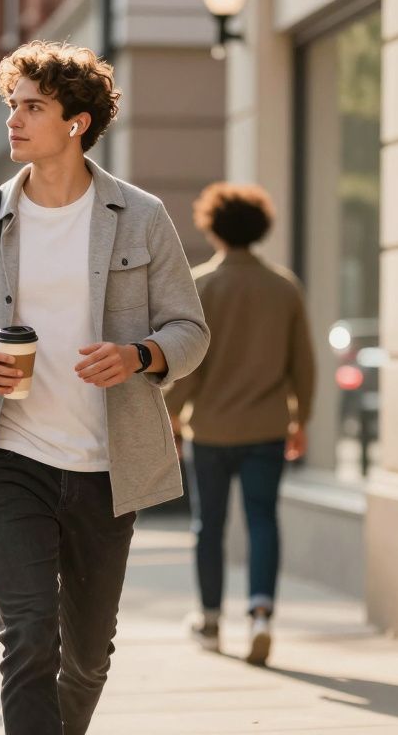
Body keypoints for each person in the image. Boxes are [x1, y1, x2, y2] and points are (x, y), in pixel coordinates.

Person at [0, 41, 209, 735]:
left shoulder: (139, 216)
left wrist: (140, 355)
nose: (14, 120)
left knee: (86, 658)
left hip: (110, 469)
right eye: (12, 105)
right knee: (28, 638)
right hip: (11, 458)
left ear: (76, 123)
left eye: (33, 107)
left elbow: (190, 330)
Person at [164, 182, 315, 667]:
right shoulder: (283, 286)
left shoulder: (201, 285)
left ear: (213, 227)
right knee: (263, 519)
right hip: (267, 428)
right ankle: (262, 616)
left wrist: (170, 412)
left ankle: (209, 622)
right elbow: (304, 364)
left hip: (208, 429)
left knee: (208, 525)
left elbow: (189, 363)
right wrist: (301, 419)